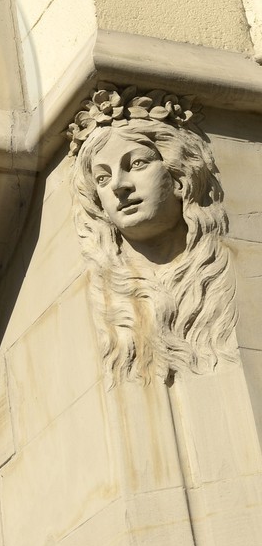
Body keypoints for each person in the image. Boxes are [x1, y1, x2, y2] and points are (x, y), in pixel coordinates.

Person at [68, 86, 235, 380]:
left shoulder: (226, 272)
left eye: (136, 163)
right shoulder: (100, 305)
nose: (119, 186)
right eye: (103, 178)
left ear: (179, 177)